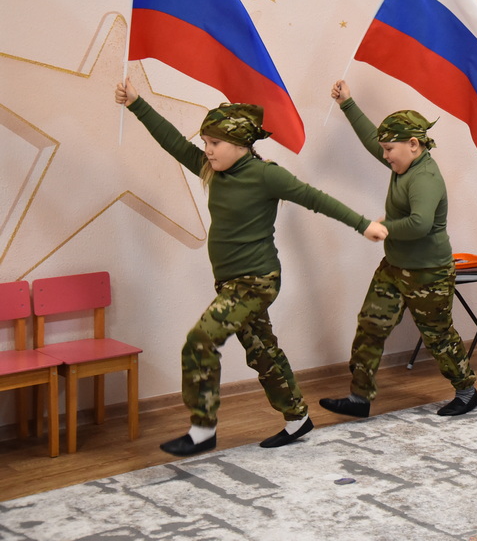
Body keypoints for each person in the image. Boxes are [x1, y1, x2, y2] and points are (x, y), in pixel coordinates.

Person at [115, 78, 388, 456]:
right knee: (262, 350)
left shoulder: (265, 175)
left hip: (256, 281)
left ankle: (202, 430)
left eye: (215, 143)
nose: (207, 150)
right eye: (205, 142)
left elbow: (315, 198)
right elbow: (173, 142)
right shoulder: (213, 171)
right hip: (229, 283)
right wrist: (136, 103)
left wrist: (364, 225)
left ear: (240, 144)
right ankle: (297, 419)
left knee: (200, 341)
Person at [320, 80, 477, 419]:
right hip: (394, 267)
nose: (385, 155)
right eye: (385, 149)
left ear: (413, 145)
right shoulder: (403, 162)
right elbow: (372, 140)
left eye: (390, 149)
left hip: (428, 273)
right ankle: (359, 398)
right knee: (370, 325)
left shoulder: (425, 178)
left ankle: (467, 392)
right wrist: (348, 102)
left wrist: (385, 228)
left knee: (437, 336)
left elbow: (420, 224)